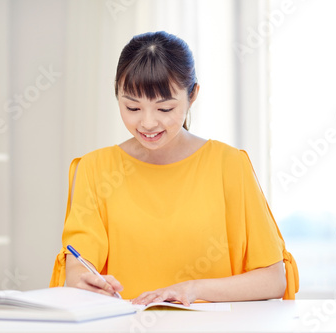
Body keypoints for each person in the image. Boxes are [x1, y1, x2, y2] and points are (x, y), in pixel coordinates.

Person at [50, 31, 298, 305]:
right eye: (132, 107)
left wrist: (192, 289)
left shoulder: (229, 165)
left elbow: (273, 278)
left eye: (165, 109)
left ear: (193, 96)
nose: (147, 123)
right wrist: (85, 284)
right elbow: (76, 272)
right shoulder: (94, 169)